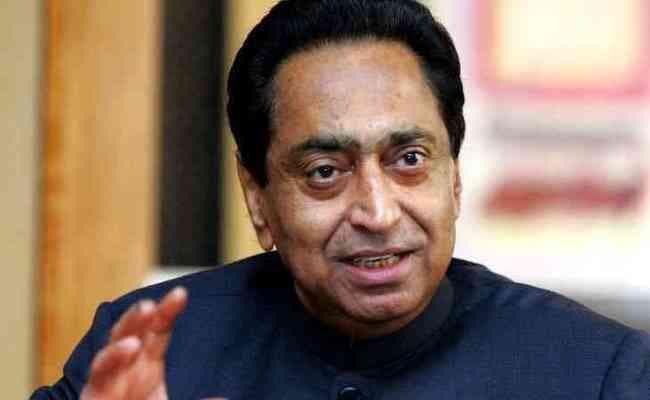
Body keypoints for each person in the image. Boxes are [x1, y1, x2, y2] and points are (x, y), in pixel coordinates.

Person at [32, 0, 649, 399]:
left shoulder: (597, 373)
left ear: (454, 178)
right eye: (325, 172)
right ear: (257, 197)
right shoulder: (149, 356)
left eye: (410, 160)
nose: (378, 213)